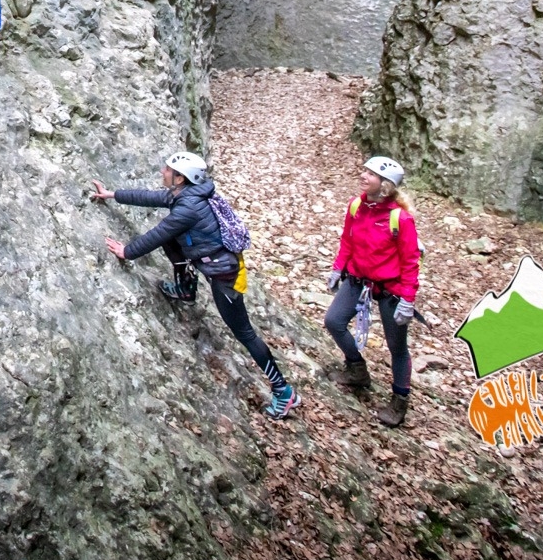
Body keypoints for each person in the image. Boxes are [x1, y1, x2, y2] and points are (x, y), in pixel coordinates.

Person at [91, 152, 300, 419]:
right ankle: (186, 289)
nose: (162, 172)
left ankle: (283, 391)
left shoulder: (188, 208)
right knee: (173, 240)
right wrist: (111, 194)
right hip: (214, 263)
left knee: (245, 333)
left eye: (167, 170)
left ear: (180, 178)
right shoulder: (188, 194)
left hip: (226, 276)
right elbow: (151, 197)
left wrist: (127, 252)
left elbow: (158, 234)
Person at [324, 155, 421, 427]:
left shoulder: (399, 219)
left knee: (397, 347)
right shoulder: (357, 206)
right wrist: (337, 268)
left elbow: (411, 261)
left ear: (386, 184)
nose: (363, 176)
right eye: (364, 171)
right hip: (357, 278)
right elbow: (347, 240)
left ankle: (400, 401)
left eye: (371, 174)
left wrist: (408, 300)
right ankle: (357, 370)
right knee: (334, 321)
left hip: (390, 289)